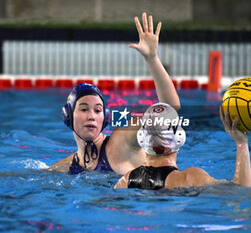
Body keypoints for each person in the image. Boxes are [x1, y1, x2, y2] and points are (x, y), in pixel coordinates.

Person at [49, 12, 180, 175]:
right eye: (83, 109)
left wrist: (152, 59)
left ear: (105, 117)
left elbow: (168, 111)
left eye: (97, 110)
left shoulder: (122, 142)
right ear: (68, 116)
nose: (91, 116)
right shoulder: (66, 166)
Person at [114, 103, 251, 189]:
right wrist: (241, 143)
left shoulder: (124, 181)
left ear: (141, 138)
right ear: (179, 137)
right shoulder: (190, 178)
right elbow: (242, 192)